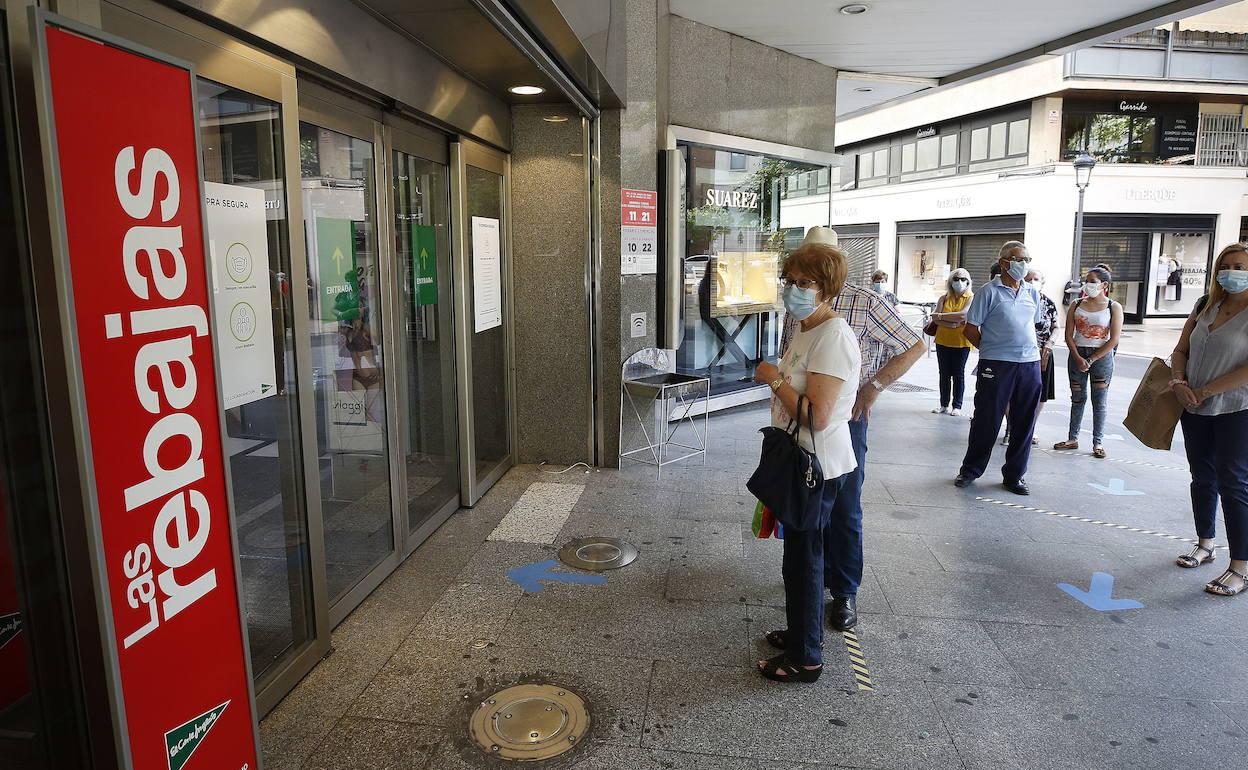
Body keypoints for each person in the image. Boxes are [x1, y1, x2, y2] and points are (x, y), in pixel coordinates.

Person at [780, 226, 925, 632]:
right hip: (800, 424)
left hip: (842, 422)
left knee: (844, 507)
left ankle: (844, 589)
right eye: (794, 277)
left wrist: (873, 387)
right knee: (805, 510)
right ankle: (811, 581)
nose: (797, 285)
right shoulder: (799, 308)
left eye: (809, 274)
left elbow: (915, 344)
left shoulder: (863, 303)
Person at [753, 241, 861, 681]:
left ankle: (806, 658)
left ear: (827, 288)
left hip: (818, 466)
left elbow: (817, 416)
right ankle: (802, 631)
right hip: (799, 459)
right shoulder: (806, 328)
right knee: (797, 557)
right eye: (789, 280)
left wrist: (773, 378)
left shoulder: (833, 336)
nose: (793, 289)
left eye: (805, 282)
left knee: (805, 561)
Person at [1169, 243, 1248, 597]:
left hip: (1237, 409)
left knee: (1234, 483)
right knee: (1202, 477)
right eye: (1226, 266)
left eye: (1240, 266)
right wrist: (1178, 382)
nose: (1232, 272)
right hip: (1194, 407)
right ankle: (1205, 544)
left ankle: (1241, 567)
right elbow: (1180, 350)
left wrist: (1206, 390)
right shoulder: (1205, 305)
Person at [954, 241, 1046, 495]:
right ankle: (970, 470)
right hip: (996, 364)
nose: (1024, 264)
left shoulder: (1032, 292)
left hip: (1029, 363)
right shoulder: (988, 292)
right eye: (1019, 259)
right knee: (987, 418)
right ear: (1005, 262)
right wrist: (990, 350)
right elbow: (970, 329)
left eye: (1027, 259)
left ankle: (1015, 475)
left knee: (1024, 421)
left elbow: (1032, 325)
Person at [1054, 267, 1122, 458]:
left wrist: (1092, 359)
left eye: (1093, 281)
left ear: (1104, 285)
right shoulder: (1076, 304)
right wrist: (1077, 357)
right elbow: (1068, 335)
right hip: (1077, 353)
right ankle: (1072, 438)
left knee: (1099, 401)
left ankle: (1098, 442)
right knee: (1077, 398)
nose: (1088, 285)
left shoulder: (1113, 307)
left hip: (1101, 357)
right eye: (1087, 280)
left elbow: (1114, 339)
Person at [1005, 269, 1058, 446]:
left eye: (1036, 279)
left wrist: (1050, 343)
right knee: (1011, 392)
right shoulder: (1018, 299)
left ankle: (1029, 428)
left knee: (1039, 394)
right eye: (1029, 279)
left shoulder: (1048, 303)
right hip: (1018, 352)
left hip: (1043, 353)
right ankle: (1012, 426)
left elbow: (1056, 326)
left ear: (1042, 282)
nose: (1032, 281)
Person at [932, 268, 974, 416]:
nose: (959, 282)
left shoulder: (970, 297)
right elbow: (935, 317)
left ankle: (957, 406)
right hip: (942, 340)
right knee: (943, 374)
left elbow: (963, 315)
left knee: (958, 374)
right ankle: (943, 404)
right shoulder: (944, 298)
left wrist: (942, 316)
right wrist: (952, 323)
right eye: (956, 279)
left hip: (961, 342)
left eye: (963, 279)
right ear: (950, 281)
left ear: (968, 281)